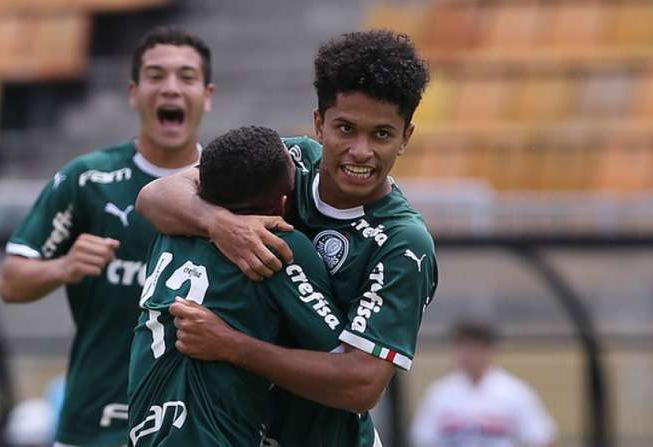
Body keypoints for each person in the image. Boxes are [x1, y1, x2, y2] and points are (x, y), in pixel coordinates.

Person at [137, 30, 438, 446]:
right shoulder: (290, 161)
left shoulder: (404, 243)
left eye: (382, 135)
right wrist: (219, 223)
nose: (360, 151)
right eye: (345, 128)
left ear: (406, 137)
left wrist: (232, 346)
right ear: (319, 123)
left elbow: (361, 384)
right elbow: (156, 195)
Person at [0, 26, 232, 447]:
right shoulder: (89, 178)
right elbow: (11, 281)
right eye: (156, 76)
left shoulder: (233, 188)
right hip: (95, 424)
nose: (171, 89)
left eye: (187, 77)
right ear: (133, 92)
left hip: (198, 425)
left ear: (208, 95)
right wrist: (64, 267)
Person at [127, 125, 345, 446]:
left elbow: (151, 195)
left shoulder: (169, 229)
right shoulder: (278, 247)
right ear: (280, 205)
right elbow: (342, 372)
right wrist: (235, 346)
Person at [410, 321, 557, 447]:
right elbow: (423, 439)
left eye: (473, 347)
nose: (467, 354)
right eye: (462, 347)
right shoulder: (440, 393)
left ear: (488, 350)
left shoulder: (514, 391)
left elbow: (543, 437)